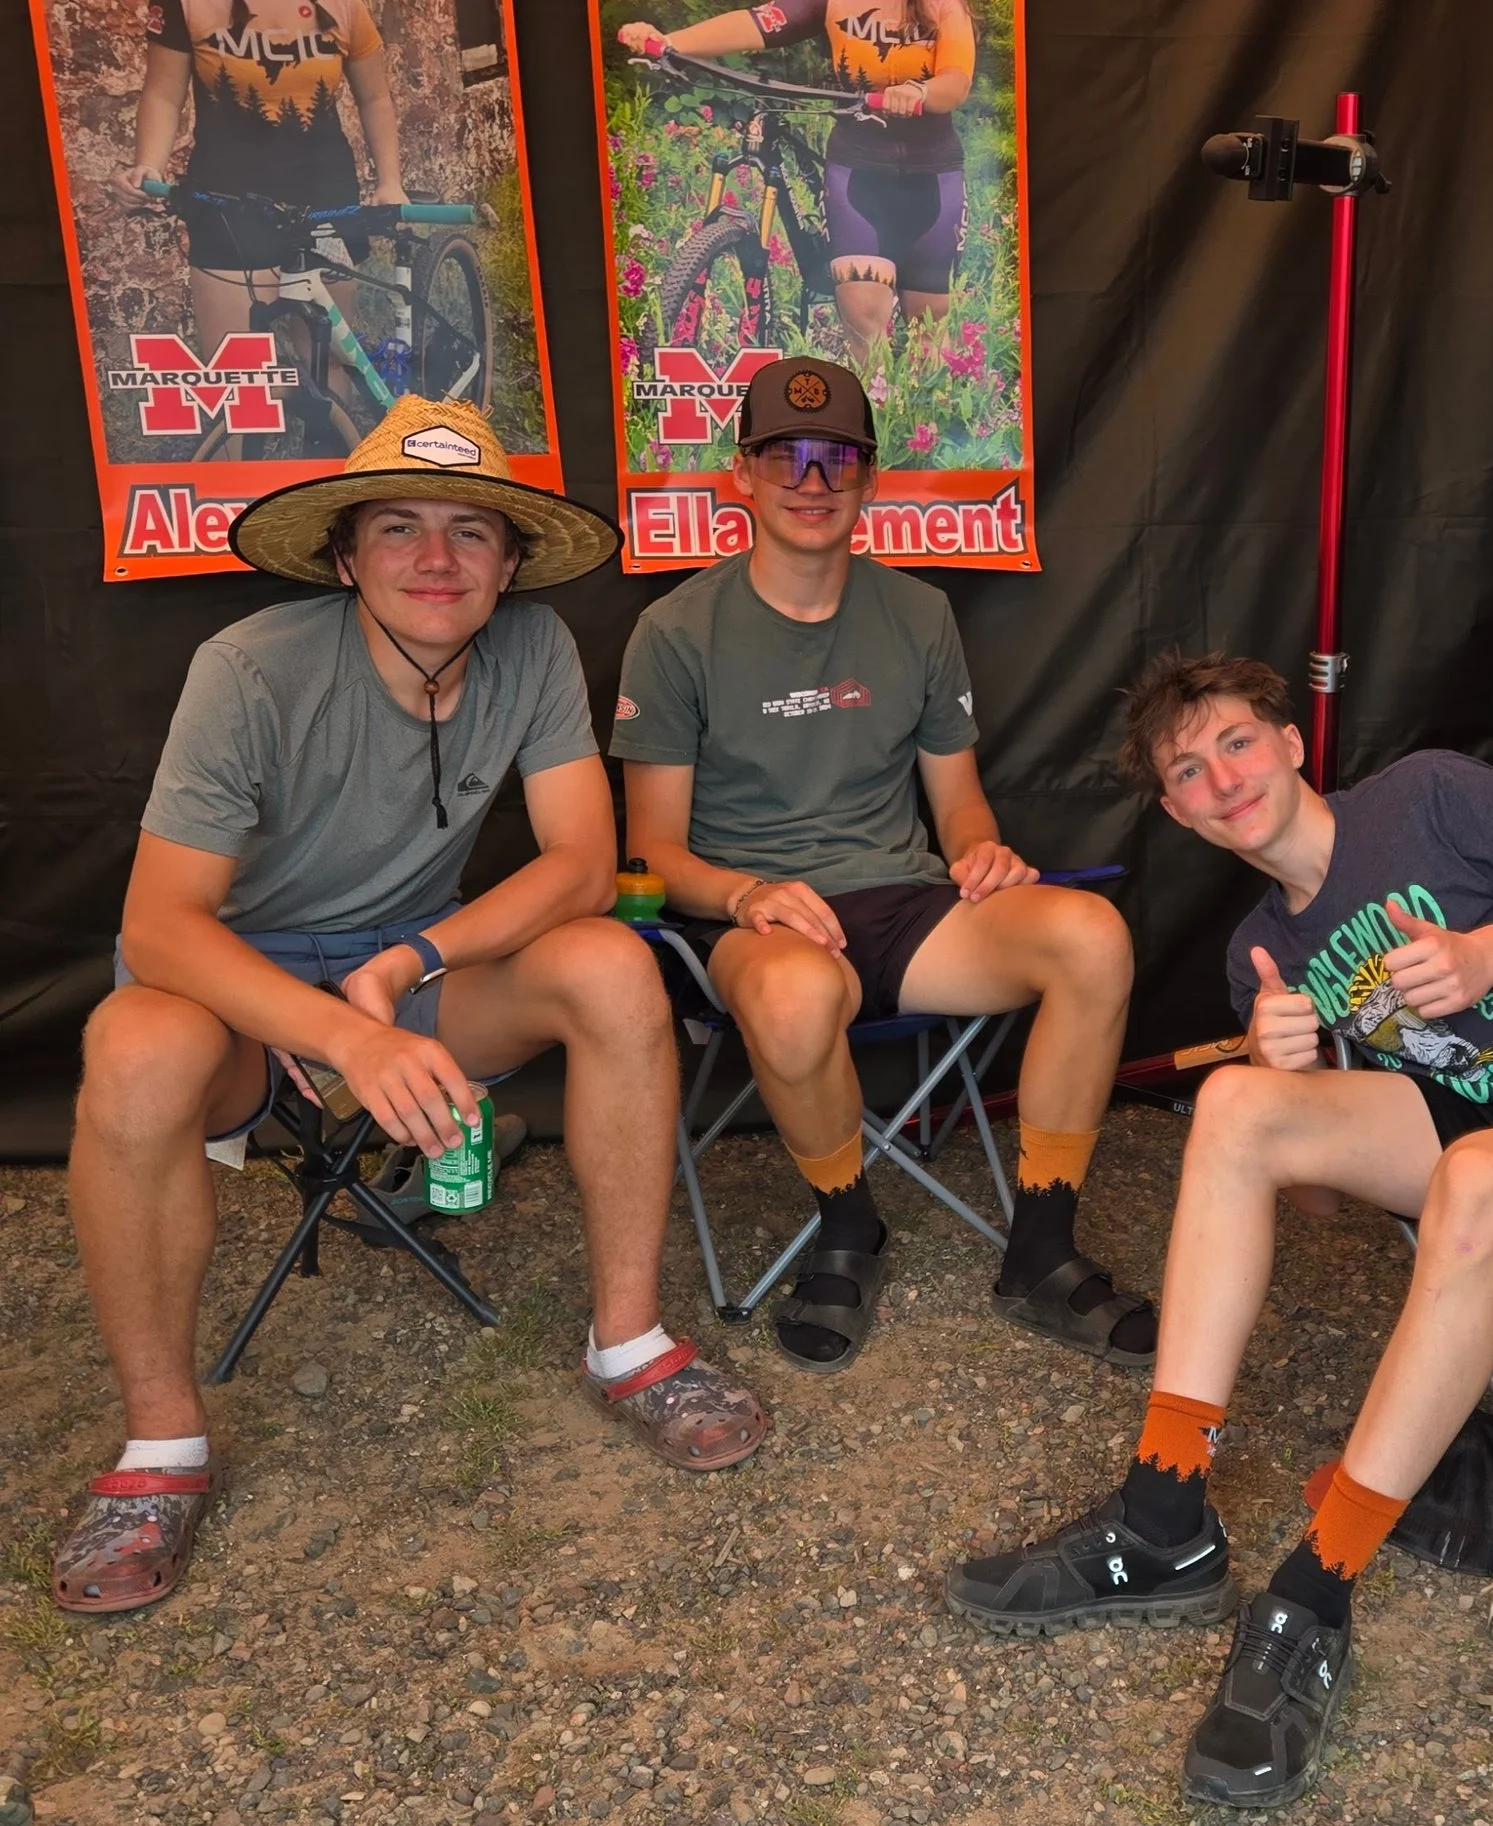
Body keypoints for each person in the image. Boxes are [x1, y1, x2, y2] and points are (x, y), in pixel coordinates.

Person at [55, 396, 770, 1618]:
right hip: (243, 991)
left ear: (508, 562)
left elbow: (580, 866)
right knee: (129, 1041)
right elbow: (158, 925)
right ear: (346, 557)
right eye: (399, 528)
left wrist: (407, 966)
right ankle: (161, 1446)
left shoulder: (533, 649)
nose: (437, 560)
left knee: (607, 960)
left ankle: (630, 1342)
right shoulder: (249, 667)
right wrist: (337, 1029)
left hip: (404, 970)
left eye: (470, 532)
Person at [944, 652, 1493, 1809]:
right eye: (1188, 770)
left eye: (1235, 742)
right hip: (1462, 1136)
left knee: (1472, 1181)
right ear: (1174, 812)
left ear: (1290, 739)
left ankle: (1317, 1591)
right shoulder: (1256, 953)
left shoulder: (1423, 795)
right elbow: (1321, 1206)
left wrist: (1488, 954)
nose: (1221, 778)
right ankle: (1163, 1511)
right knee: (1232, 1105)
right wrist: (1288, 1070)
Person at [613, 357, 1145, 1376]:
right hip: (751, 919)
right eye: (787, 457)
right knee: (796, 998)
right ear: (741, 474)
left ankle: (1040, 1250)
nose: (812, 481)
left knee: (1091, 937)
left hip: (906, 901)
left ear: (868, 480)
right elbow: (654, 853)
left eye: (838, 460)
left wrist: (979, 849)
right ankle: (848, 1227)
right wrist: (747, 894)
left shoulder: (919, 614)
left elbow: (957, 802)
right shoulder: (673, 632)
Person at [618, 0, 976, 379]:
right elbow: (758, 23)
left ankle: (926, 428)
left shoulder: (944, 5)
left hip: (932, 179)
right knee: (863, 332)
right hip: (857, 174)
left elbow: (956, 83)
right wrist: (670, 41)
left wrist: (921, 92)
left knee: (930, 342)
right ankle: (877, 427)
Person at [112, 0, 405, 397]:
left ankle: (333, 452)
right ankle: (247, 456)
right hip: (226, 203)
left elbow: (375, 98)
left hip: (325, 201)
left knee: (328, 360)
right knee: (236, 377)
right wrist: (148, 163)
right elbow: (163, 93)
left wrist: (390, 181)